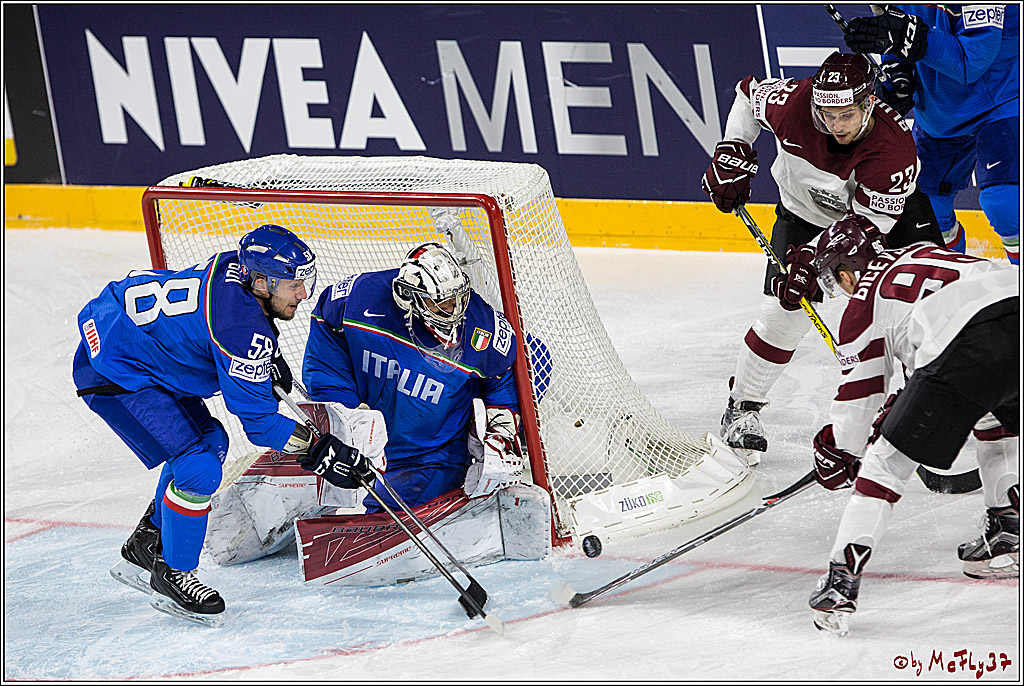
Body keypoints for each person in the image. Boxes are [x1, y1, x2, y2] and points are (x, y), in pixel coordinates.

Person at [203, 239, 549, 585]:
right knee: (325, 450)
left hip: (427, 454)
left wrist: (501, 432)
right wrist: (343, 412)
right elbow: (327, 322)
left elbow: (513, 375)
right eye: (438, 302)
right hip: (365, 433)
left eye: (456, 298)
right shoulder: (361, 297)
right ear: (408, 297)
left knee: (388, 519)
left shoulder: (484, 329)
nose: (452, 310)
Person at [73, 224, 363, 623]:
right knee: (199, 468)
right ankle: (173, 574)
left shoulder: (233, 268)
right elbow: (260, 426)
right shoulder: (242, 331)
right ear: (261, 283)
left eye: (305, 281)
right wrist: (317, 448)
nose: (303, 295)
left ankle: (146, 542)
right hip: (114, 371)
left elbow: (215, 327)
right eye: (293, 285)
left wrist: (266, 358)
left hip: (133, 345)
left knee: (212, 441)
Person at [701, 50, 944, 455]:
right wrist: (732, 149)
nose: (835, 125)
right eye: (827, 114)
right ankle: (741, 408)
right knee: (782, 314)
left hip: (882, 219)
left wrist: (812, 263)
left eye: (847, 115)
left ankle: (922, 415)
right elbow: (746, 95)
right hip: (803, 216)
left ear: (869, 102)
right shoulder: (792, 104)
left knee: (918, 311)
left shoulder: (893, 150)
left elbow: (866, 231)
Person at [802, 214, 1019, 634]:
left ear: (847, 272)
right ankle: (1008, 530)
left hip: (968, 341)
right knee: (995, 416)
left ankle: (840, 584)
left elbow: (859, 399)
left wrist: (839, 448)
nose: (840, 287)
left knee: (884, 465)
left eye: (835, 277)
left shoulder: (862, 303)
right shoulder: (919, 251)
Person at [844, 5, 1019, 264]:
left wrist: (907, 36)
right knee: (930, 214)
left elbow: (971, 62)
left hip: (1003, 99)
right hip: (938, 112)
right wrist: (899, 73)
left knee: (1004, 203)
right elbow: (899, 35)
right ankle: (951, 283)